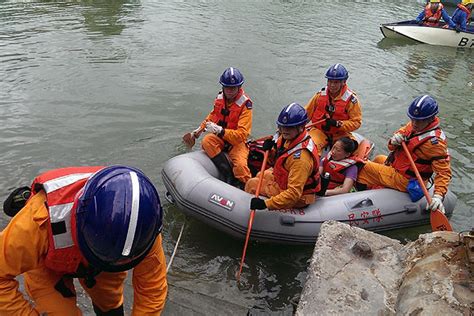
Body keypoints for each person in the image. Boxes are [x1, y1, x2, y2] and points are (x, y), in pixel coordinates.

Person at [0, 166, 168, 315]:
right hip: (47, 264)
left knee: (110, 303)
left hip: (99, 267)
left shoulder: (144, 230)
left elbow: (151, 290)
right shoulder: (35, 222)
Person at [357, 95, 451, 213]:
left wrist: (438, 195)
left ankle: (356, 197)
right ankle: (373, 188)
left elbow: (444, 172)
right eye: (412, 119)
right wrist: (394, 140)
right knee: (379, 158)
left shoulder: (435, 144)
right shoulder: (415, 125)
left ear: (430, 119)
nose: (414, 123)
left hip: (408, 180)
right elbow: (392, 145)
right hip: (399, 169)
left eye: (419, 121)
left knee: (363, 167)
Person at [184, 67, 253, 188]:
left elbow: (242, 134)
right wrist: (199, 130)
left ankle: (247, 188)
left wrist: (220, 130)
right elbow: (212, 116)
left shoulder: (245, 105)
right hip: (221, 138)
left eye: (233, 88)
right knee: (207, 141)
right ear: (223, 87)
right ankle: (226, 173)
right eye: (227, 88)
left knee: (241, 167)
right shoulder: (220, 98)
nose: (230, 91)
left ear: (239, 87)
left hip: (237, 142)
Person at [245, 103, 321, 210]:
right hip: (284, 179)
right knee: (261, 174)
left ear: (300, 127)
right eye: (282, 126)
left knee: (252, 184)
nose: (284, 130)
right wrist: (271, 151)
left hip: (300, 197)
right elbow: (277, 159)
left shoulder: (301, 159)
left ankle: (248, 210)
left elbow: (293, 194)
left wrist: (266, 204)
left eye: (289, 128)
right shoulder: (288, 137)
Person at [305, 63, 362, 154]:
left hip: (340, 134)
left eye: (336, 82)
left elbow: (356, 122)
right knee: (310, 147)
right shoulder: (320, 95)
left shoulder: (351, 100)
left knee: (351, 148)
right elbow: (307, 113)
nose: (332, 85)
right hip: (319, 131)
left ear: (343, 82)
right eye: (330, 81)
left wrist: (338, 124)